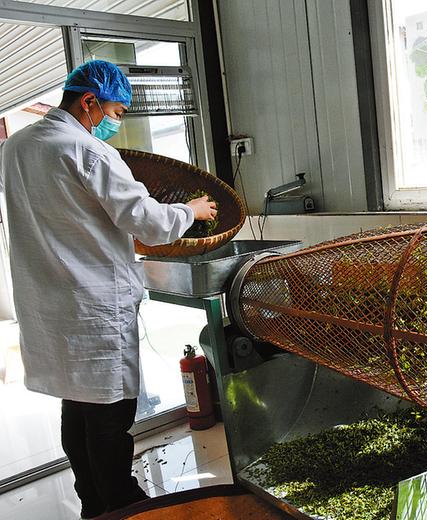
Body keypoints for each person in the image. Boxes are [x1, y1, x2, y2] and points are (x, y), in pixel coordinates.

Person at [0, 60, 217, 519]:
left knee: (77, 405)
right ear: (89, 101)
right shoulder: (88, 152)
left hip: (48, 302)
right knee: (109, 414)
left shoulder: (16, 146)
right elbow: (148, 222)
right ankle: (123, 503)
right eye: (115, 113)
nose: (114, 123)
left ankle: (93, 504)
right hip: (91, 301)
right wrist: (192, 211)